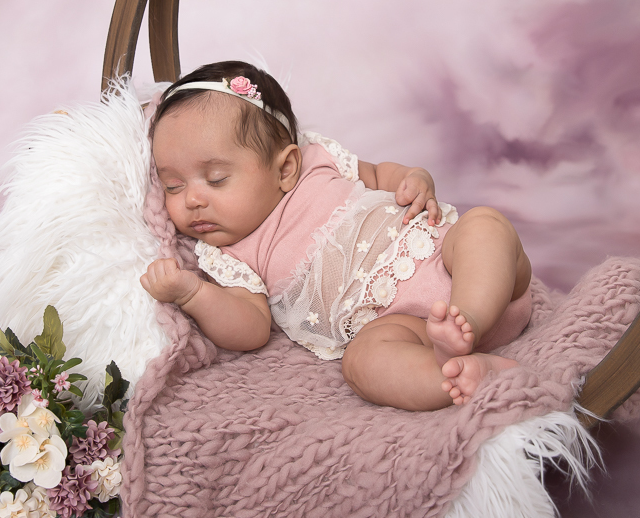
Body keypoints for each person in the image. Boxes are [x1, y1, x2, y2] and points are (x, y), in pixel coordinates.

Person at [139, 60, 533, 411]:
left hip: (451, 264)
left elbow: (380, 174)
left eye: (215, 178)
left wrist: (415, 178)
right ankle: (461, 374)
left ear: (285, 168)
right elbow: (251, 328)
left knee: (483, 226)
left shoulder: (317, 161)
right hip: (403, 328)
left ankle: (469, 319)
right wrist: (193, 294)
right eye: (173, 186)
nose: (192, 199)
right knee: (363, 364)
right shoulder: (229, 255)